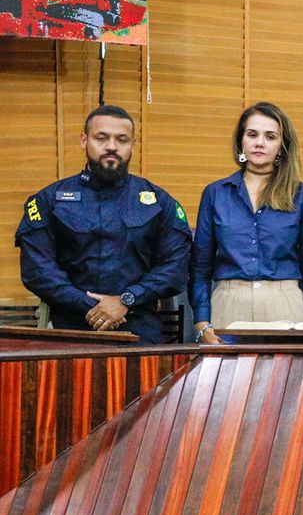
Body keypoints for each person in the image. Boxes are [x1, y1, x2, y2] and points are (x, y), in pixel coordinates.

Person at [15, 104, 191, 343]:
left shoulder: (159, 202)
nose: (111, 146)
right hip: (69, 333)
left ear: (133, 145)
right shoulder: (49, 200)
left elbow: (176, 268)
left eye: (122, 140)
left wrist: (126, 299)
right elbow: (38, 270)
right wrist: (89, 305)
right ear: (84, 140)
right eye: (102, 138)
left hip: (139, 333)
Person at [190, 103, 303, 342]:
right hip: (228, 304)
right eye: (252, 134)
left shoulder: (301, 195)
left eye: (270, 136)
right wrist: (202, 322)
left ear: (282, 146)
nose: (259, 143)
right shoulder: (215, 194)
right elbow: (200, 266)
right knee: (226, 380)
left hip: (284, 304)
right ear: (241, 141)